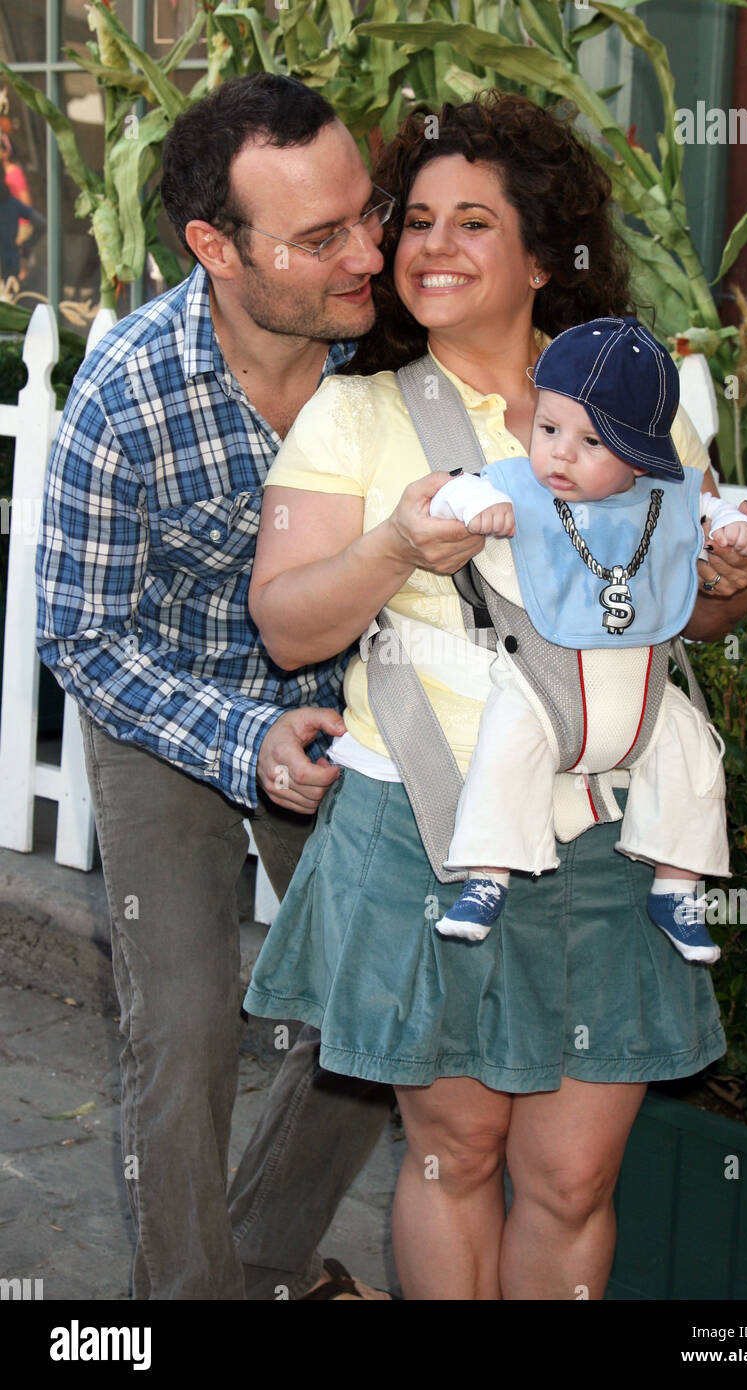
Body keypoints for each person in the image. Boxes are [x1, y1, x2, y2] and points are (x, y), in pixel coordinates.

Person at [243, 92, 747, 1300]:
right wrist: (394, 547)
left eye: (472, 222)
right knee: (454, 1151)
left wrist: (725, 582)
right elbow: (285, 622)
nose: (431, 245)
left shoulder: (631, 403)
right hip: (429, 828)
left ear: (543, 254)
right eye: (415, 219)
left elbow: (684, 613)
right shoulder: (357, 411)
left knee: (572, 1178)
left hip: (611, 830)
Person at [35, 73, 399, 1301]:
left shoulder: (394, 339)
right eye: (319, 238)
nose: (366, 253)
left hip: (361, 716)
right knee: (187, 1018)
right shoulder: (126, 393)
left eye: (368, 212)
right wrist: (243, 735)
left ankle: (251, 1262)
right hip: (168, 710)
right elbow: (82, 636)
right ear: (216, 248)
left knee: (382, 999)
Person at [430, 316, 747, 960]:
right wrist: (472, 506)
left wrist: (732, 522)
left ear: (640, 457)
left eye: (591, 443)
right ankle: (486, 875)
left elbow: (706, 503)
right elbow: (450, 491)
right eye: (549, 429)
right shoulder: (512, 485)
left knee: (693, 749)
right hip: (543, 688)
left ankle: (677, 886)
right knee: (505, 747)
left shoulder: (666, 496)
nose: (558, 453)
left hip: (641, 695)